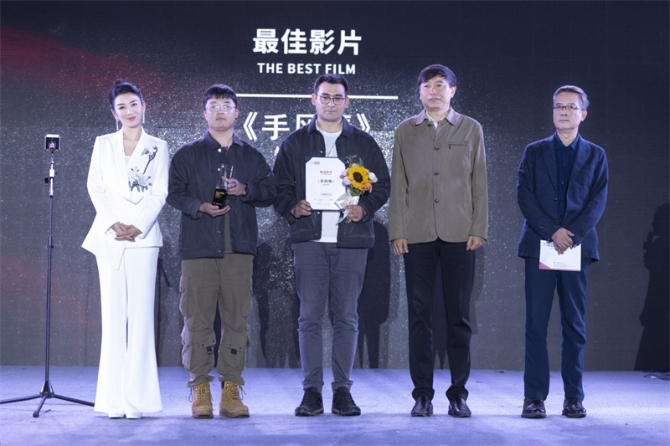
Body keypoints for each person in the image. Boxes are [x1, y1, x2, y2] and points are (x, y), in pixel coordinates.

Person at [273, 74, 390, 417]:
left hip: (351, 241)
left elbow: (383, 186)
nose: (331, 103)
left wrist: (364, 207)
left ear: (347, 102)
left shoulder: (363, 143)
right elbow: (279, 187)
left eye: (338, 98)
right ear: (314, 99)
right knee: (309, 318)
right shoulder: (295, 142)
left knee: (346, 318)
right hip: (310, 240)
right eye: (325, 97)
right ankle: (312, 392)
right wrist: (292, 206)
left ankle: (342, 391)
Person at [167, 84, 276, 419]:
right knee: (197, 319)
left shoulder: (251, 156)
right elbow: (173, 193)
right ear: (204, 113)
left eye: (226, 105)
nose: (220, 111)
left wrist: (246, 189)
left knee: (236, 319)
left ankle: (231, 389)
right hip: (198, 248)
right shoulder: (187, 154)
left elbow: (270, 191)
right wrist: (199, 206)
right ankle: (200, 388)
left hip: (238, 251)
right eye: (213, 105)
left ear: (237, 113)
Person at [388, 64, 488, 418]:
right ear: (419, 92)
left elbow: (479, 181)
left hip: (460, 233)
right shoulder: (405, 130)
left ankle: (458, 393)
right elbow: (398, 183)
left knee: (458, 315)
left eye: (440, 85)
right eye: (427, 86)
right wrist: (397, 230)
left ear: (452, 90)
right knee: (420, 316)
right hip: (416, 234)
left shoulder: (471, 128)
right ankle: (422, 394)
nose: (433, 91)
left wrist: (479, 227)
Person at [517, 85, 608, 419]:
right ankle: (534, 397)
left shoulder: (596, 155)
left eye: (570, 107)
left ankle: (573, 397)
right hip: (539, 245)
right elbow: (524, 194)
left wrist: (571, 235)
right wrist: (551, 231)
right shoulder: (534, 151)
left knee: (574, 325)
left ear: (583, 114)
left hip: (577, 247)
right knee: (535, 325)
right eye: (558, 106)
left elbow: (598, 200)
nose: (563, 112)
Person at [82, 80, 168, 419]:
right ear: (113, 113)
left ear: (144, 106)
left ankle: (138, 402)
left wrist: (138, 225)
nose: (129, 111)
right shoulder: (103, 144)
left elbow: (159, 192)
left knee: (141, 318)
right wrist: (114, 222)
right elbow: (96, 186)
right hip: (110, 236)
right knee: (114, 319)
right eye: (122, 107)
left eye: (134, 104)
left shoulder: (158, 146)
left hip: (143, 239)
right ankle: (113, 401)